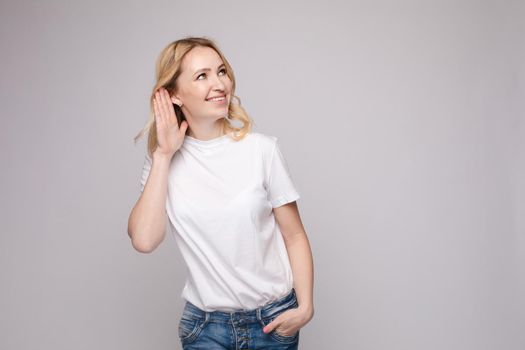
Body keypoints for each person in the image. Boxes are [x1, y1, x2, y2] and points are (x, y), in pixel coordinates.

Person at [127, 36, 314, 349]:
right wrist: (162, 156)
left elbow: (293, 235)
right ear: (173, 94)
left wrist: (305, 308)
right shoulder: (163, 160)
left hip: (272, 323)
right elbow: (144, 240)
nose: (219, 84)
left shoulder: (262, 150)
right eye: (202, 76)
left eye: (222, 71)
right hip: (205, 329)